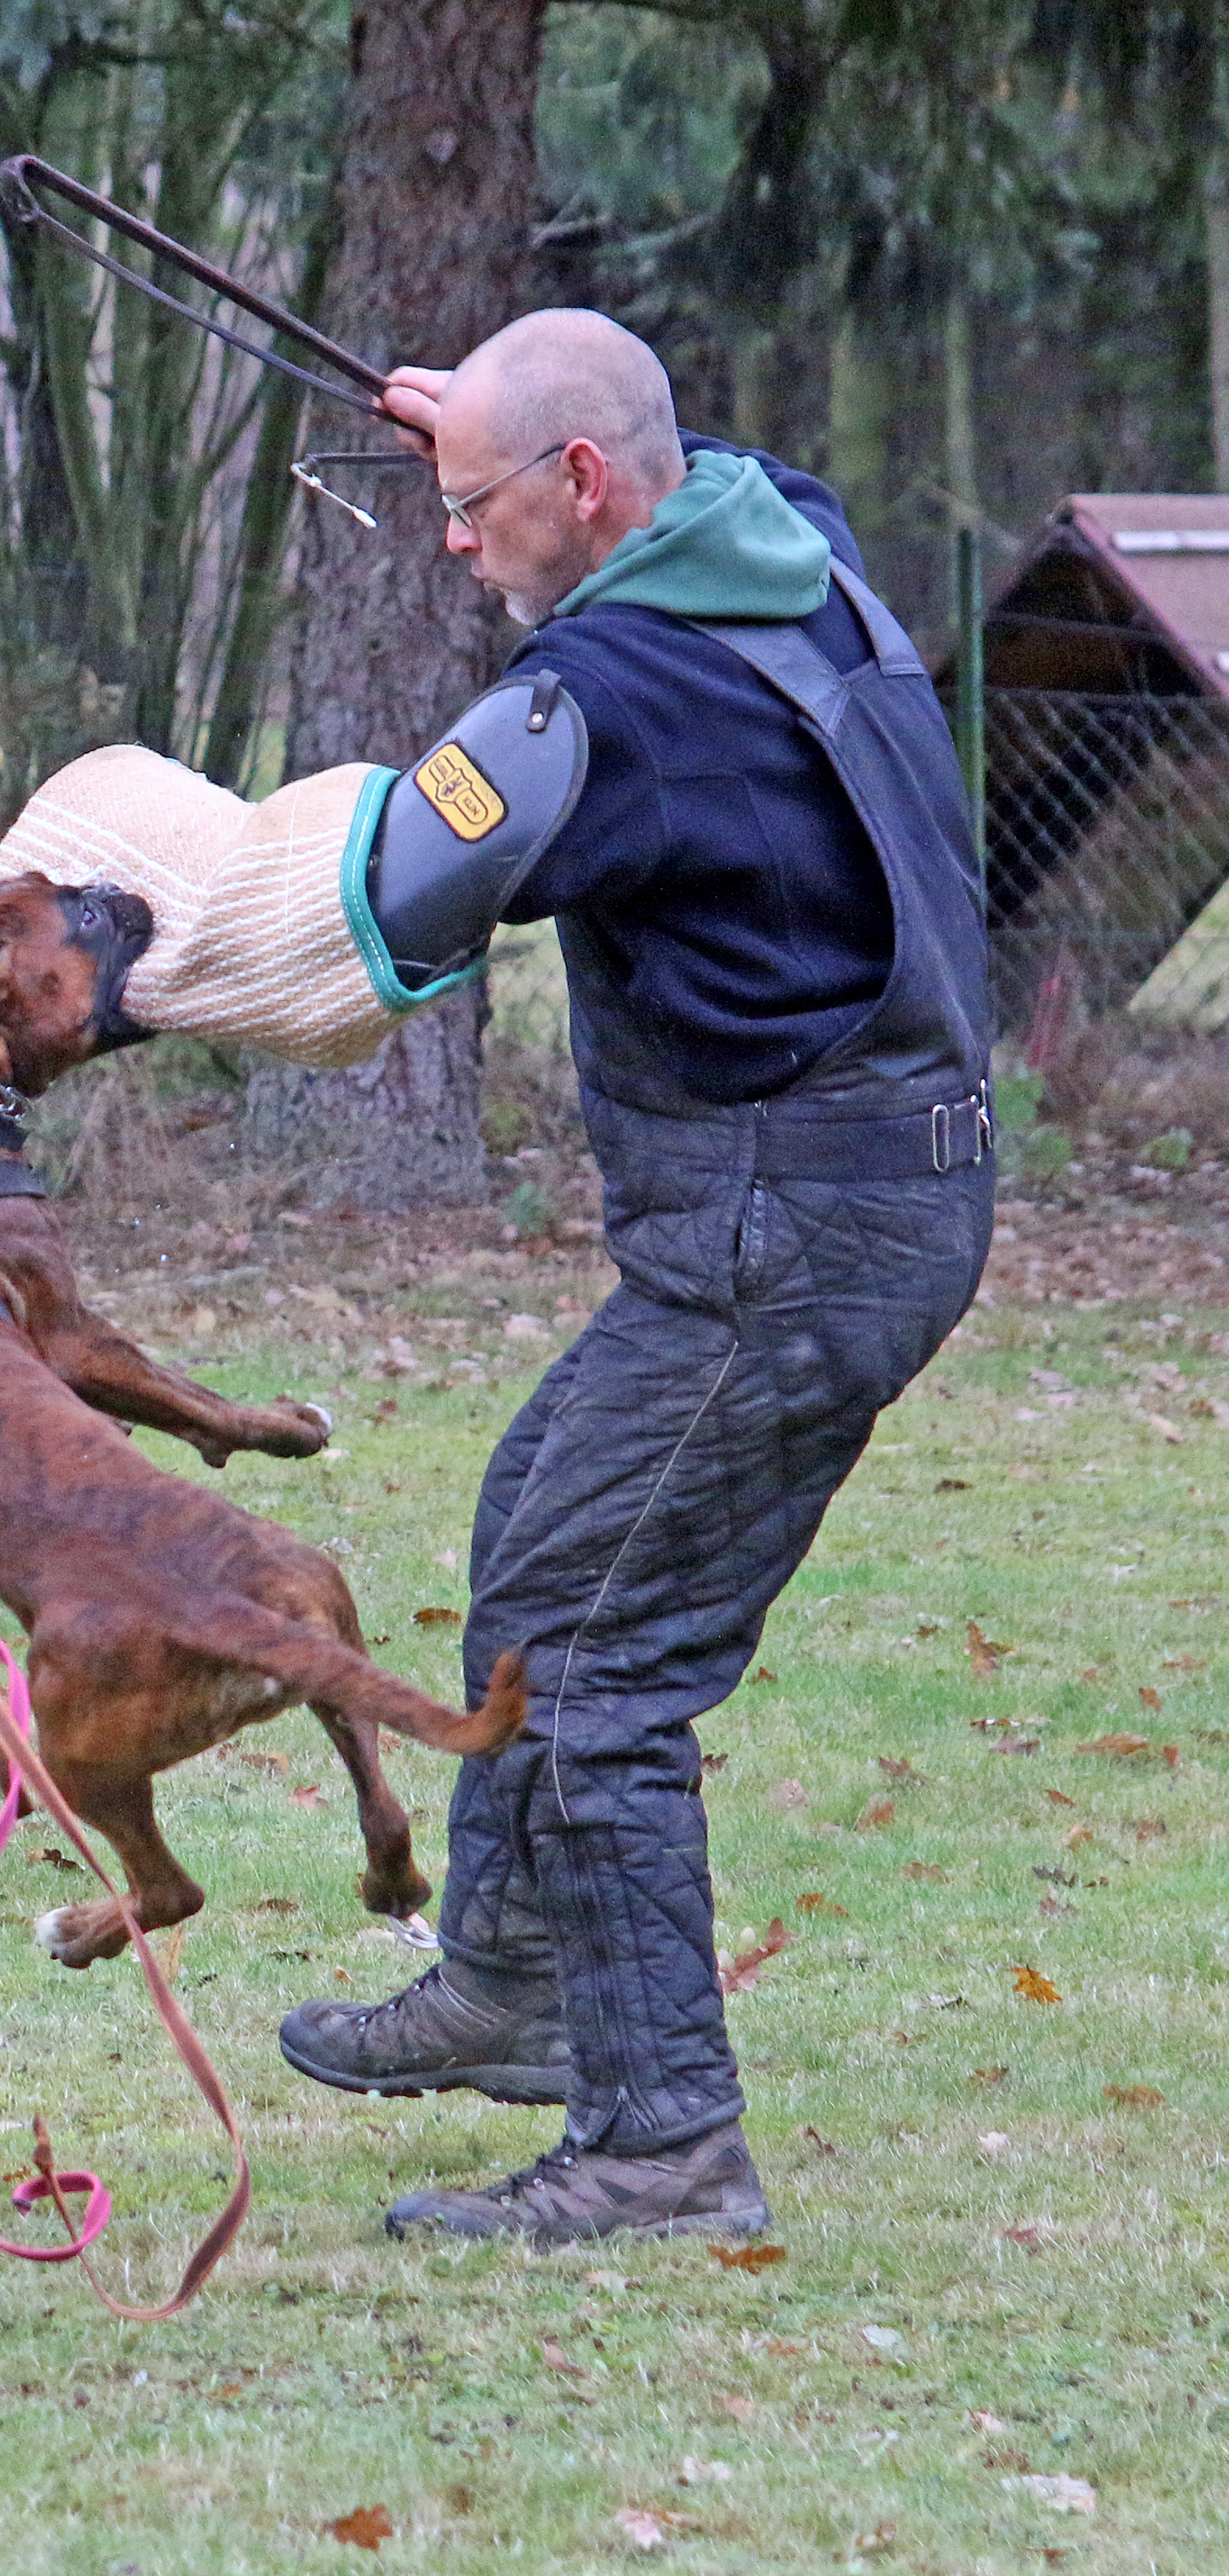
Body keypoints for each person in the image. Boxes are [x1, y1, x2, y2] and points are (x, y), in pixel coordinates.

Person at [276, 308, 994, 2245]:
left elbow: (385, 917)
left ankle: (665, 2142)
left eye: (472, 507)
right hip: (871, 1183)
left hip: (792, 1225)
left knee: (595, 1656)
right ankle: (515, 1985)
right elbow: (667, 467)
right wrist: (483, 431)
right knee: (543, 1524)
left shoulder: (620, 694)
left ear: (583, 486)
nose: (447, 540)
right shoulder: (787, 541)